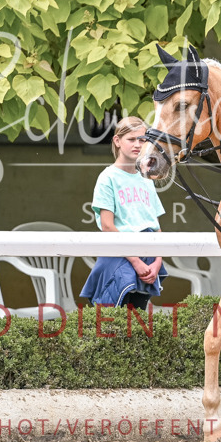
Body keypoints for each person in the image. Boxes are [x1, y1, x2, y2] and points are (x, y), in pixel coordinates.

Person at [80, 116, 168, 309]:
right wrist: (136, 262)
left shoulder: (146, 179)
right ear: (117, 141)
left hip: (147, 259)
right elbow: (108, 226)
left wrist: (157, 262)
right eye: (131, 139)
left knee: (136, 322)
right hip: (120, 257)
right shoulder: (107, 178)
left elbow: (156, 227)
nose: (138, 144)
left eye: (142, 139)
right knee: (111, 324)